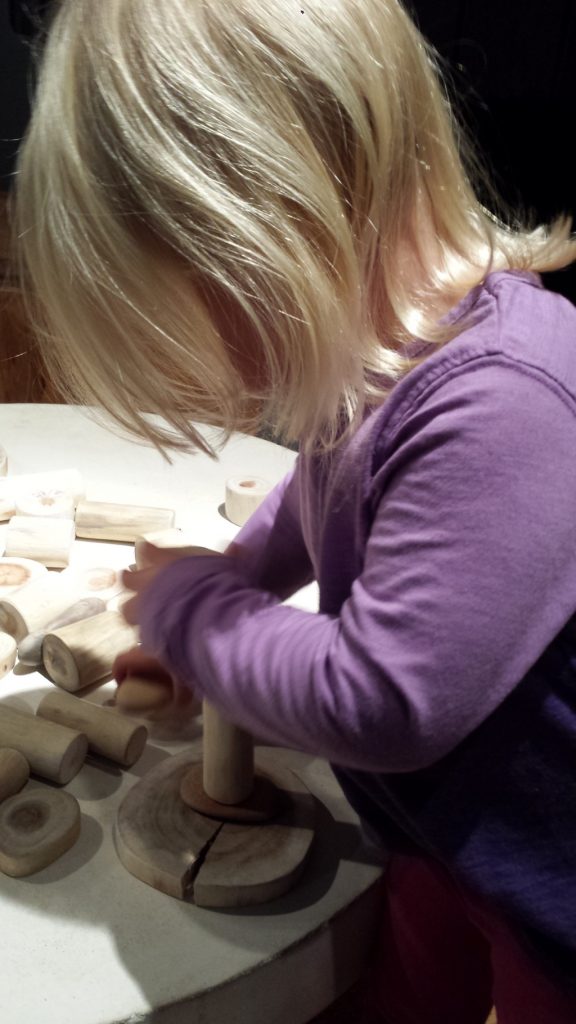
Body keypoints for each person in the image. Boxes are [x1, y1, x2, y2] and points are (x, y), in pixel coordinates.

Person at [13, 1, 576, 1021]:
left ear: (288, 224)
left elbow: (383, 701)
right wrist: (233, 579)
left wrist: (193, 610)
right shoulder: (381, 365)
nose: (216, 381)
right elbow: (316, 495)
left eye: (189, 318)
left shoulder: (506, 404)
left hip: (554, 879)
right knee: (403, 980)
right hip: (438, 830)